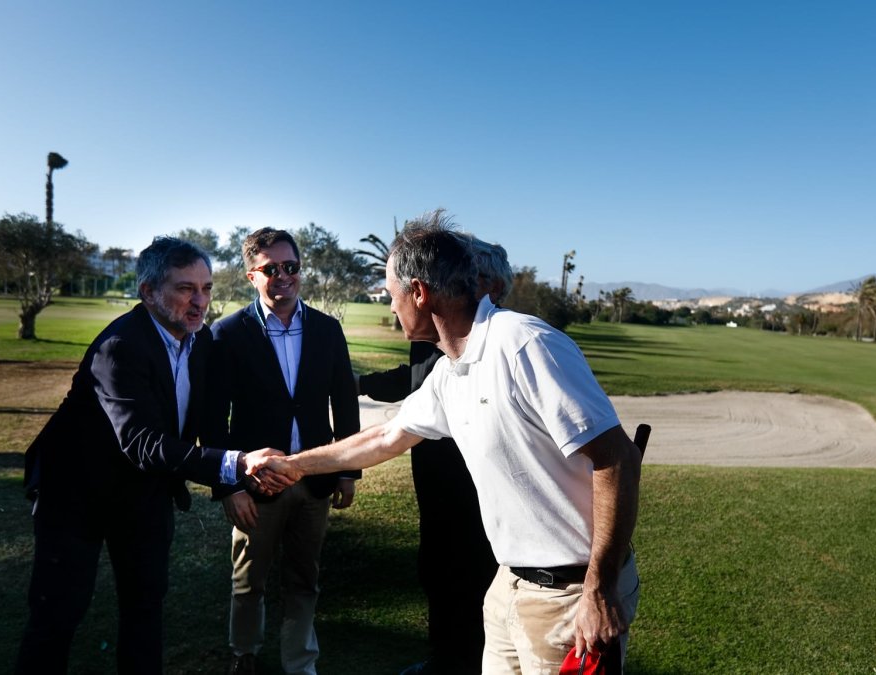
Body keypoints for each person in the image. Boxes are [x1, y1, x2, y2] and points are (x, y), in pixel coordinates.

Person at [249, 216, 642, 675]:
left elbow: (617, 458)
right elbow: (384, 437)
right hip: (509, 586)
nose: (392, 308)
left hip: (571, 595)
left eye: (393, 295)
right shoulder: (449, 371)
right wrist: (295, 464)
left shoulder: (524, 345)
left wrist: (599, 588)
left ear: (419, 293)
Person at [16, 237, 281, 674]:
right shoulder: (119, 347)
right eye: (185, 289)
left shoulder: (201, 345)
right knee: (57, 615)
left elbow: (207, 424)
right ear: (148, 291)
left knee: (145, 608)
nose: (200, 302)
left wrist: (229, 481)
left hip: (145, 496)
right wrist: (235, 462)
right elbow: (143, 442)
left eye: (207, 288)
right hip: (75, 496)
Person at [204, 227, 361, 675]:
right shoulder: (227, 334)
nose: (283, 276)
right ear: (251, 275)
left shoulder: (328, 330)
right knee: (247, 580)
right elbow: (214, 420)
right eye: (271, 269)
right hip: (254, 484)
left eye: (290, 267)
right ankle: (244, 653)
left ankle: (300, 662)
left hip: (314, 481)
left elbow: (344, 404)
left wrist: (348, 471)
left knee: (303, 579)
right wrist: (227, 486)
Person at [354, 230, 510, 675]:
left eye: (470, 276)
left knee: (476, 580)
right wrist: (362, 385)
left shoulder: (502, 345)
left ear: (491, 288)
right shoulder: (432, 335)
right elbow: (414, 384)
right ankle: (444, 659)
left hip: (474, 485)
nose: (456, 283)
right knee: (436, 572)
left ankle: (474, 661)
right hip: (433, 476)